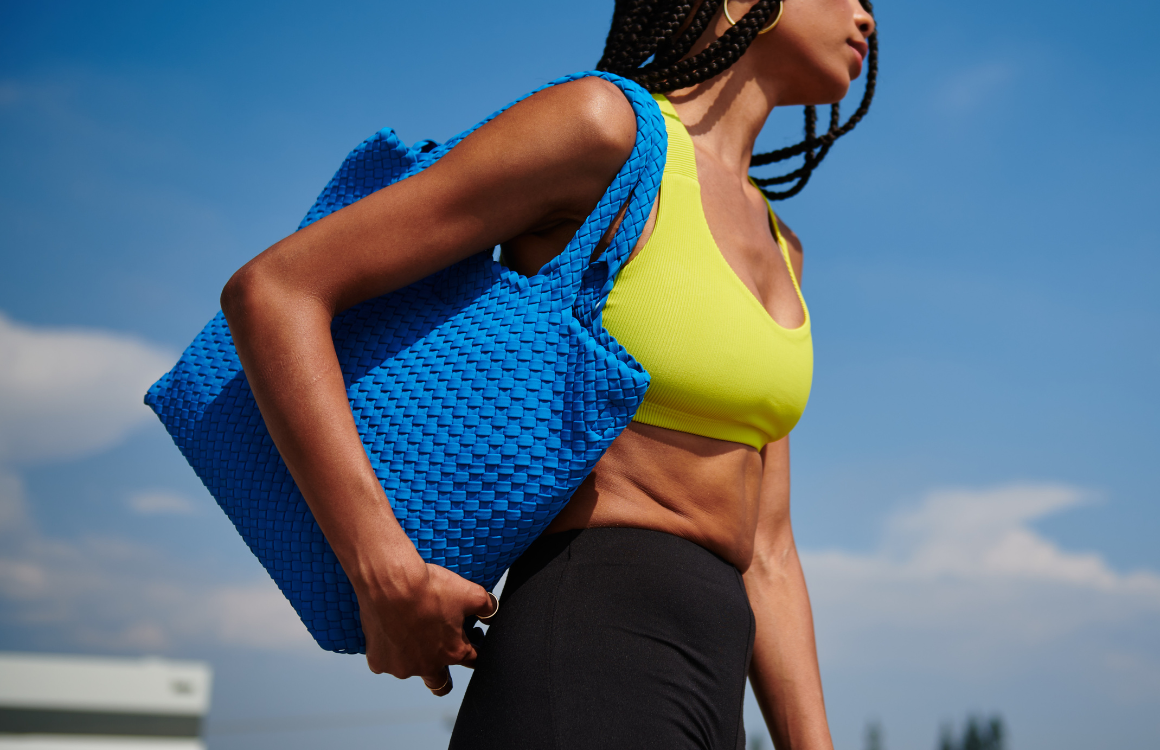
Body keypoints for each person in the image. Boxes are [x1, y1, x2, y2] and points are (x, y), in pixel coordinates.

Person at [219, 1, 877, 747]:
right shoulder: (606, 131)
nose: (866, 18)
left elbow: (770, 549)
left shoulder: (783, 247)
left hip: (712, 670)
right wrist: (384, 570)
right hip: (594, 637)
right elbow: (276, 290)